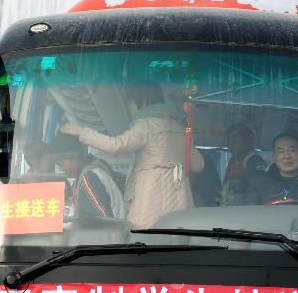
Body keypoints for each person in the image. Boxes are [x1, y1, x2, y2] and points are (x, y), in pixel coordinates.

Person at [61, 93, 206, 229]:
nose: (130, 109)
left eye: (131, 104)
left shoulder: (146, 126)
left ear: (142, 102)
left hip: (151, 201)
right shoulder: (181, 130)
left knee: (143, 241)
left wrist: (81, 131)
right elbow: (198, 165)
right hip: (181, 201)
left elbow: (115, 145)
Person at [48, 132, 125, 220]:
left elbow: (97, 223)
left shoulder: (89, 178)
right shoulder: (95, 166)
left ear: (74, 156)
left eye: (62, 164)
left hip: (113, 231)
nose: (62, 169)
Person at [220, 123, 267, 205]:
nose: (230, 143)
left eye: (235, 139)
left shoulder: (255, 161)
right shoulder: (233, 161)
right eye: (228, 139)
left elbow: (258, 191)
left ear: (247, 141)